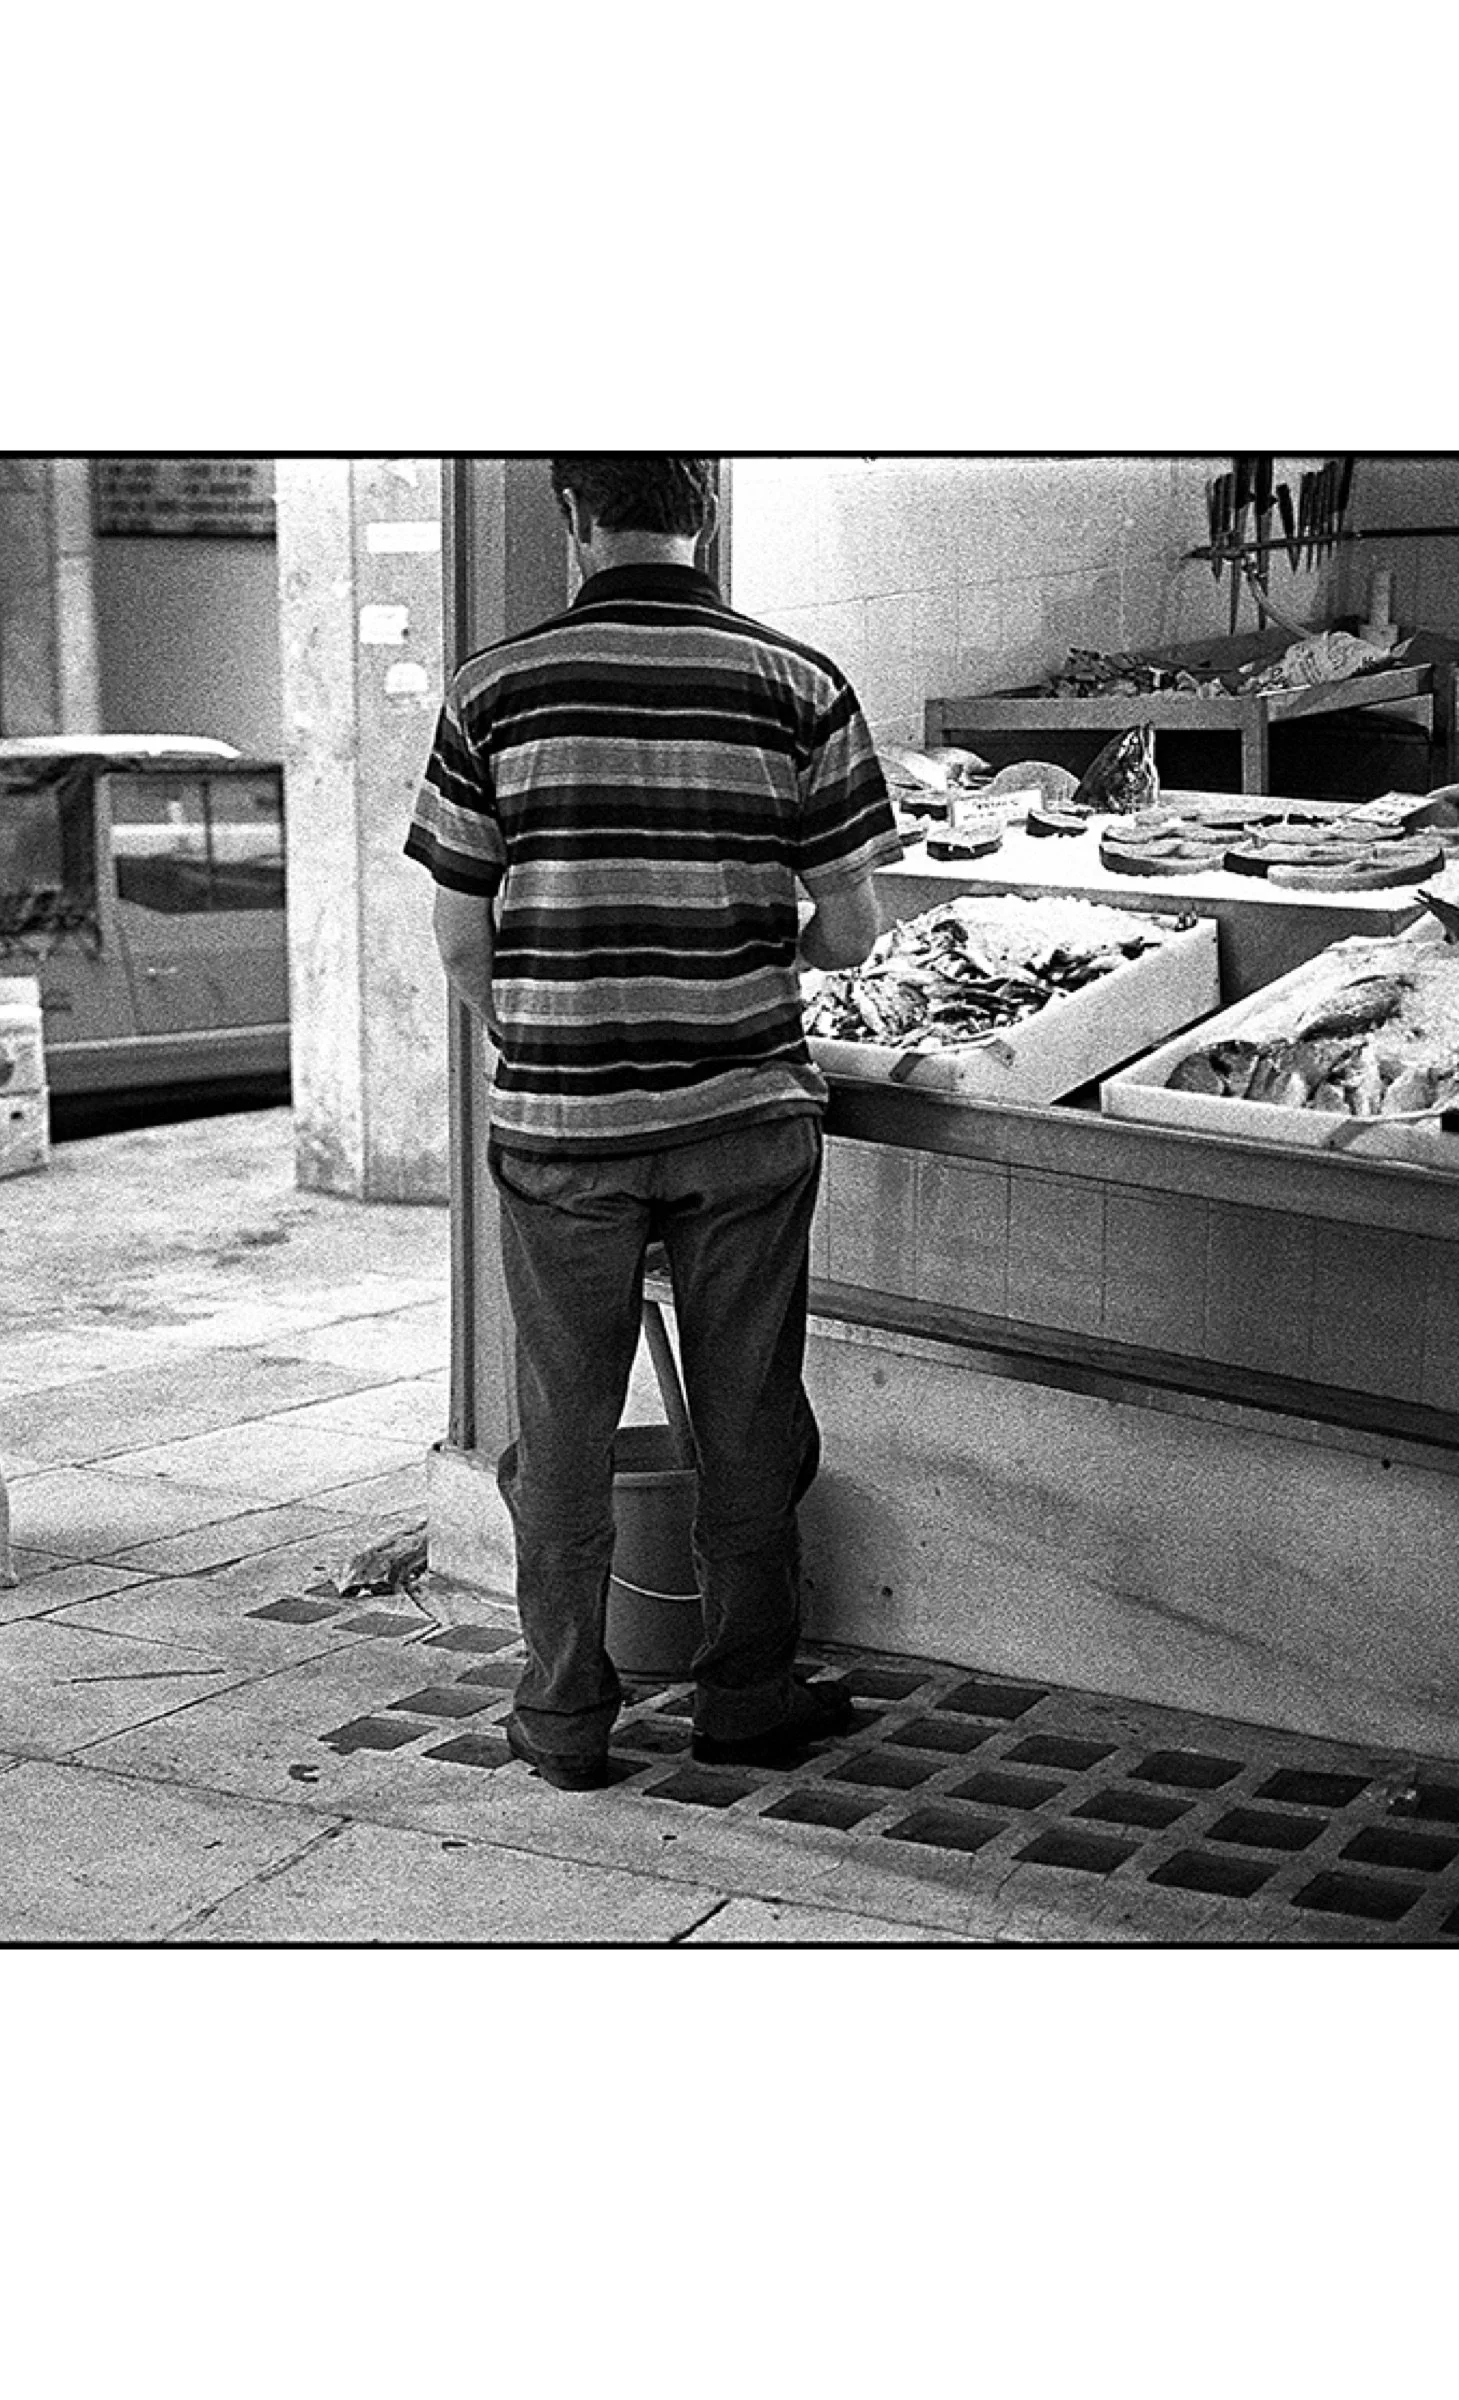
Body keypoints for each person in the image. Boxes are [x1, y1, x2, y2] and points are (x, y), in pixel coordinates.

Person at [405, 455, 900, 1791]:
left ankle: (565, 1715)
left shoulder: (490, 693)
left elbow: (462, 939)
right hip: (745, 1118)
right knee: (745, 1415)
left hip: (560, 1135)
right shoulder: (800, 686)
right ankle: (745, 1693)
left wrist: (552, 1038)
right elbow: (852, 931)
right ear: (709, 514)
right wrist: (741, 958)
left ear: (573, 517)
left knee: (561, 1428)